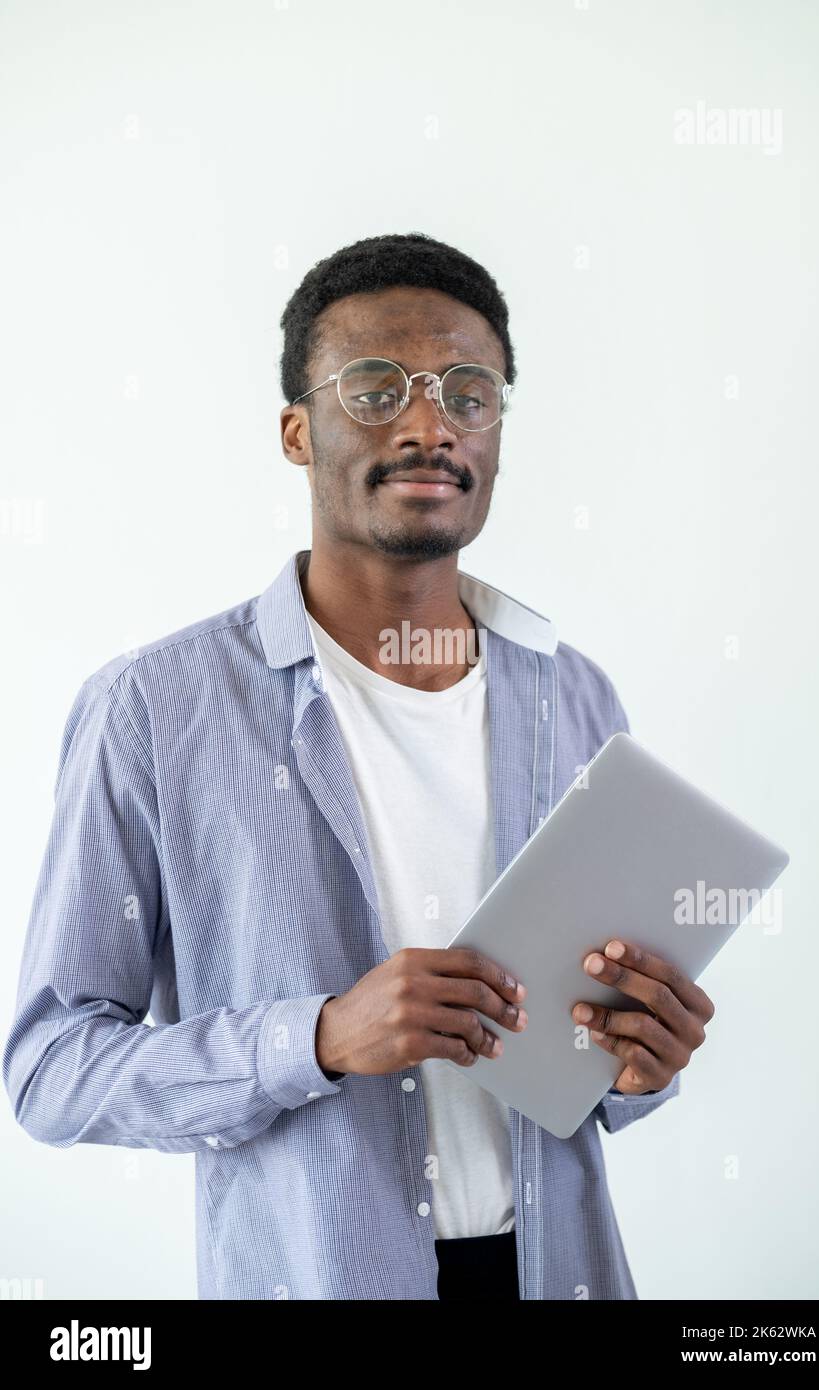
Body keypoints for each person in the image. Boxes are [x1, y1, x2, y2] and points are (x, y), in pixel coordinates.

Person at [3, 232, 713, 1300]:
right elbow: (51, 1069)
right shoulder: (151, 710)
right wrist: (318, 1036)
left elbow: (603, 1082)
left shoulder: (574, 698)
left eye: (468, 394)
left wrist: (641, 1062)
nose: (430, 424)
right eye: (377, 388)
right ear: (296, 431)